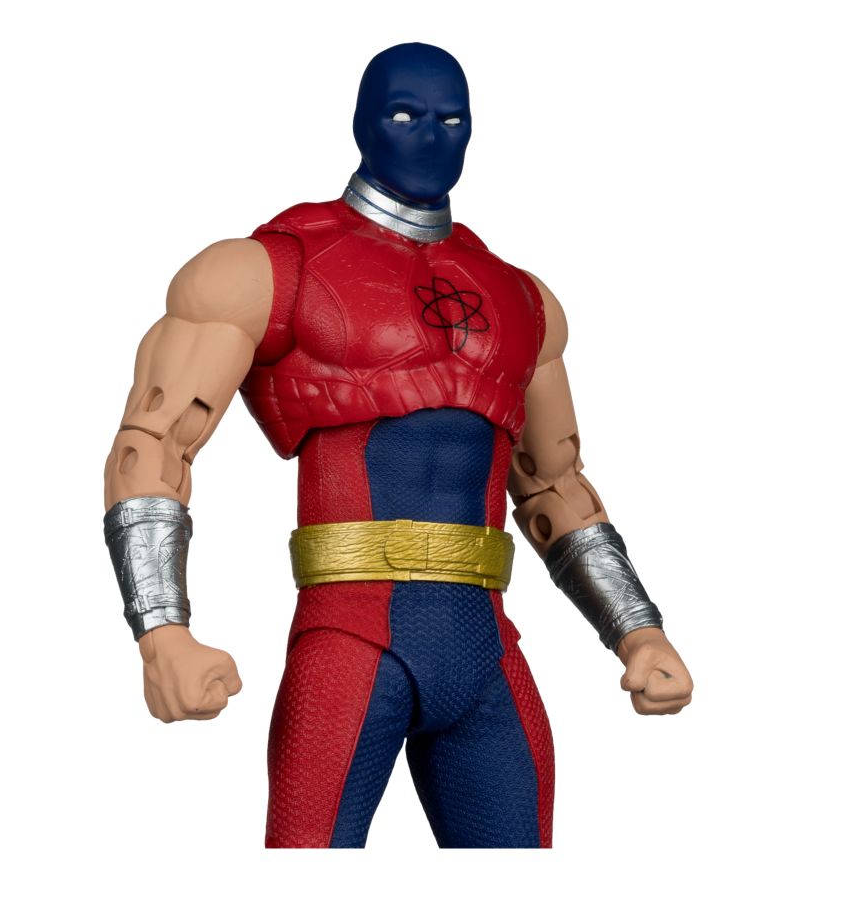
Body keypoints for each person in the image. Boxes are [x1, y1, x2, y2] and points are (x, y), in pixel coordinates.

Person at [104, 42, 693, 849]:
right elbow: (152, 445)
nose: (429, 136)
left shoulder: (522, 301)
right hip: (349, 641)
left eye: (451, 120)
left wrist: (639, 630)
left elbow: (555, 487)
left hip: (484, 647)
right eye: (405, 114)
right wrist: (162, 631)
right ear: (361, 124)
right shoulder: (265, 271)